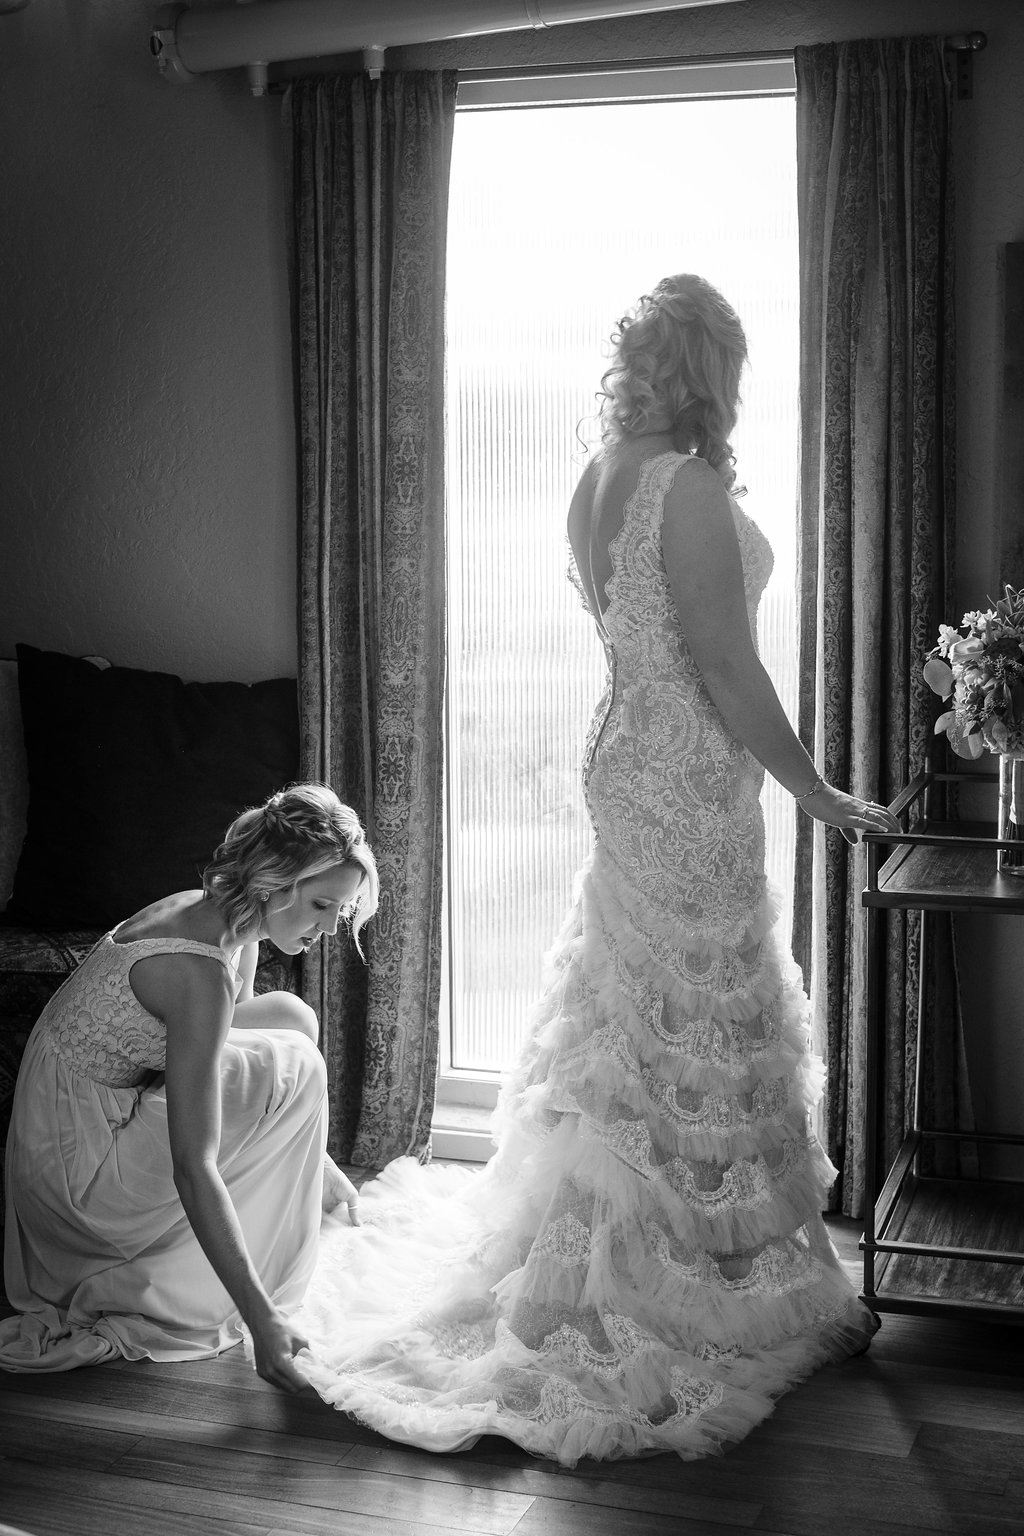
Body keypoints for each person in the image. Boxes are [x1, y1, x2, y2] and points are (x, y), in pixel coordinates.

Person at [290, 275, 901, 1464]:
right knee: (694, 1011)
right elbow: (726, 671)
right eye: (730, 368)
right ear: (705, 369)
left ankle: (660, 1249)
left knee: (637, 1010)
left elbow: (641, 639)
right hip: (682, 768)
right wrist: (816, 791)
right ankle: (673, 1283)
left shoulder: (599, 473)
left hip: (626, 752)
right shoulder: (681, 487)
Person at [0, 783, 377, 1388]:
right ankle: (230, 1275)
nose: (332, 929)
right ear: (273, 886)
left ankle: (302, 1178)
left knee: (293, 1019)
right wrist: (263, 1321)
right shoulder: (196, 970)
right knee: (297, 1066)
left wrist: (318, 1157)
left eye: (342, 911)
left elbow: (239, 1017)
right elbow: (191, 1164)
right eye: (321, 907)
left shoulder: (226, 915)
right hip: (77, 1169)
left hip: (95, 1104)